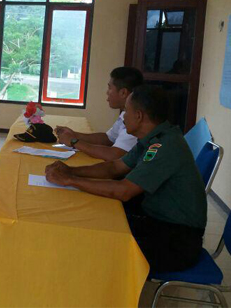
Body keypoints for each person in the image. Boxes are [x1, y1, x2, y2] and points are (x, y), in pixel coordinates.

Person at [45, 85, 207, 272]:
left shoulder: (164, 145)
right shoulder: (152, 138)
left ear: (138, 116)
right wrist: (72, 171)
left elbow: (123, 191)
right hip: (157, 220)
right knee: (95, 221)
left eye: (126, 112)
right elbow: (114, 168)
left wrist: (70, 181)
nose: (123, 118)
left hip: (177, 241)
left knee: (95, 246)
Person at [55, 67, 143, 161]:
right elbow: (108, 139)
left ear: (123, 93)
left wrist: (74, 141)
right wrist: (74, 135)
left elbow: (114, 155)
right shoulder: (126, 113)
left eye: (110, 88)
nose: (107, 92)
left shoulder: (135, 119)